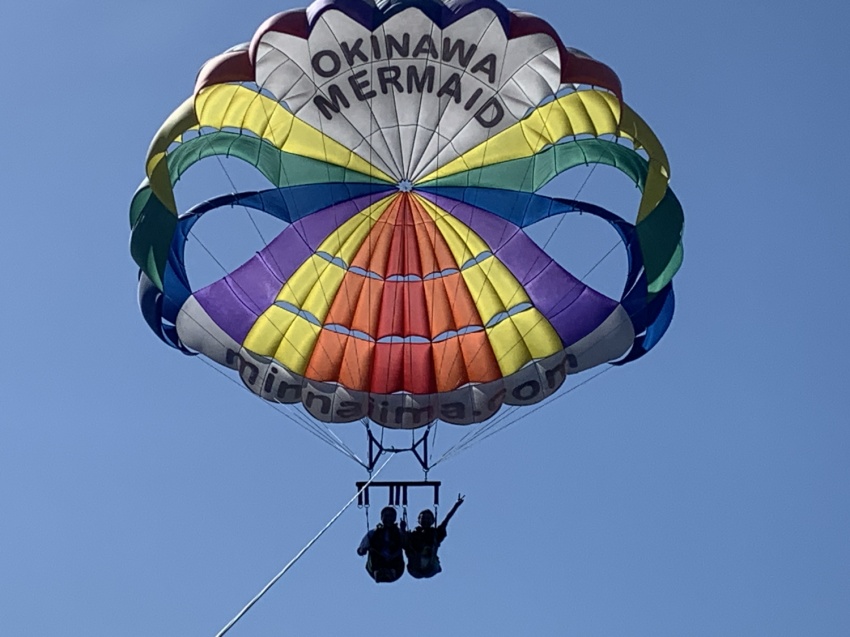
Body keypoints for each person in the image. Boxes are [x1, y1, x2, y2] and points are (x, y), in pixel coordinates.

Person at [402, 494, 464, 579]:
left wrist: (456, 505)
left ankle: (425, 558)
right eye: (423, 518)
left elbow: (447, 519)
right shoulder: (413, 535)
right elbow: (404, 542)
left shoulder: (436, 533)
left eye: (428, 518)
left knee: (427, 548)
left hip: (430, 567)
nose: (426, 520)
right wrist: (402, 529)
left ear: (432, 521)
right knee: (409, 545)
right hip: (415, 567)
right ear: (419, 520)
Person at [357, 506, 405, 583]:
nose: (388, 518)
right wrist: (362, 550)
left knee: (397, 551)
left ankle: (392, 571)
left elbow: (407, 543)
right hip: (377, 562)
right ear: (381, 517)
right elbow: (362, 548)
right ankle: (378, 572)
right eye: (386, 516)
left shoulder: (398, 532)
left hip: (395, 562)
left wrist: (403, 531)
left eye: (391, 516)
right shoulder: (373, 533)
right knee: (373, 551)